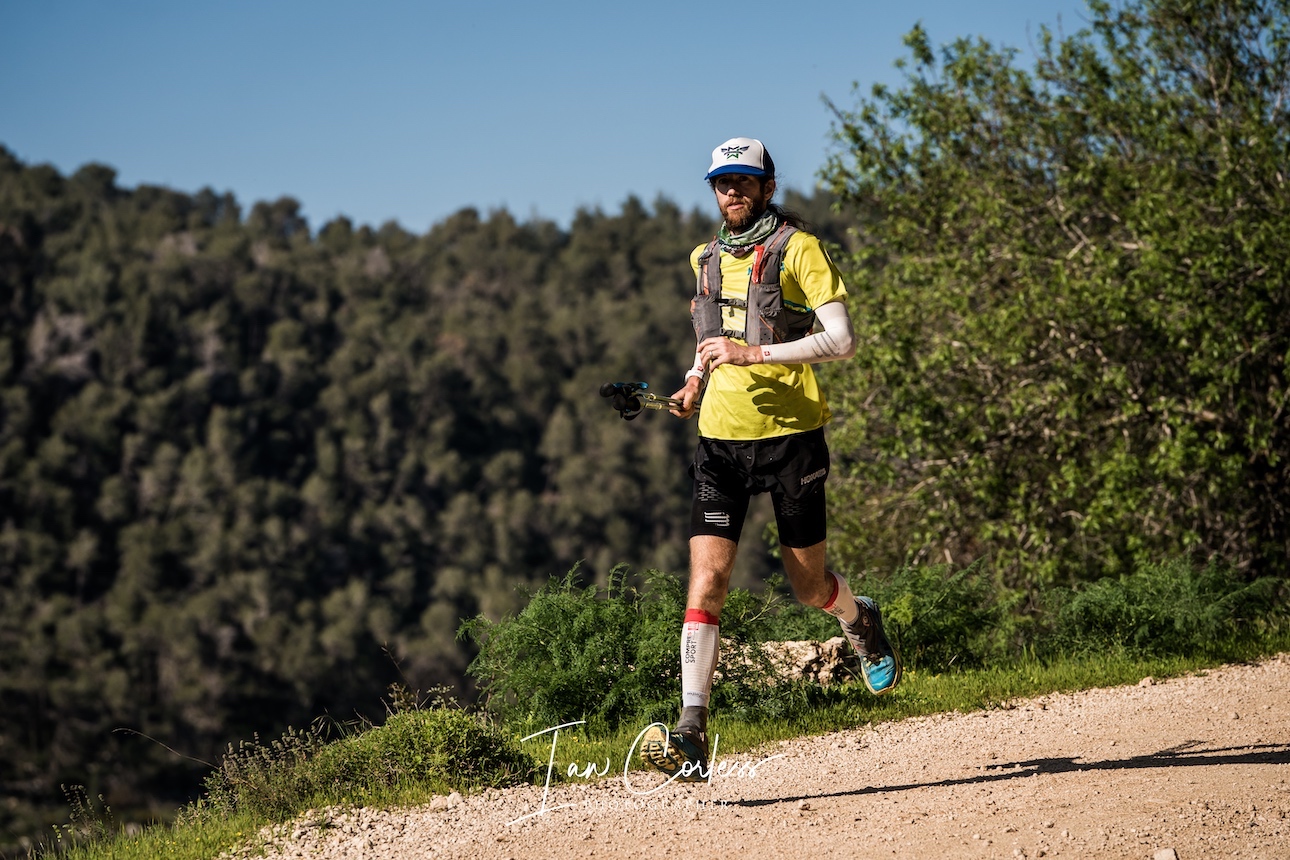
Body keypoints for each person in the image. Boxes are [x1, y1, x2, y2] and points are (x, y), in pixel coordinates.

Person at [639, 137, 902, 782]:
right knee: (707, 581)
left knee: (809, 588)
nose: (731, 192)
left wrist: (754, 356)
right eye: (721, 183)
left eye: (743, 181)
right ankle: (692, 729)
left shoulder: (799, 249)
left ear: (767, 186)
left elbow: (842, 340)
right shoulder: (704, 259)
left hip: (792, 438)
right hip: (720, 443)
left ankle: (858, 619)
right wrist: (691, 384)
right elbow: (712, 340)